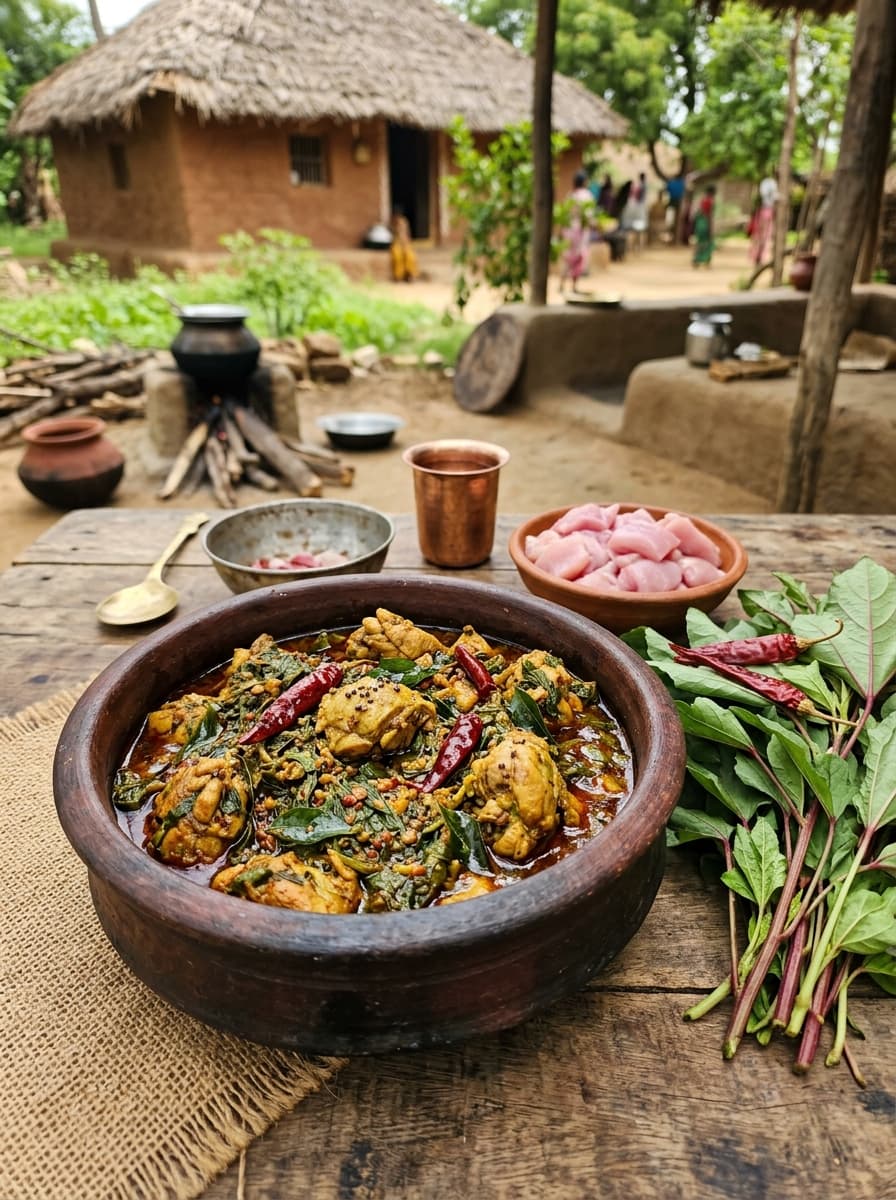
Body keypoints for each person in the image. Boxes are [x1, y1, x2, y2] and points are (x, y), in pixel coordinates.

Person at [559, 170, 597, 293]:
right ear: (584, 181)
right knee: (578, 258)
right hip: (580, 232)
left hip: (569, 231)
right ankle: (574, 286)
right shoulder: (586, 195)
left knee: (567, 258)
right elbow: (589, 215)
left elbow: (565, 214)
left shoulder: (571, 195)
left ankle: (562, 284)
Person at [749, 176, 777, 266]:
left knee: (761, 238)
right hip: (764, 216)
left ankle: (758, 257)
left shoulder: (762, 208)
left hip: (763, 216)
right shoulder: (766, 209)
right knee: (762, 238)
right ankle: (758, 257)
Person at [389, 207, 418, 282]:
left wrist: (406, 241)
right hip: (396, 243)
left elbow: (407, 234)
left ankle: (410, 275)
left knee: (410, 256)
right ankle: (398, 276)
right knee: (397, 256)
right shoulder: (392, 223)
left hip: (405, 242)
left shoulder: (404, 221)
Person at [692, 184, 716, 268]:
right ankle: (706, 261)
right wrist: (710, 227)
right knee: (708, 243)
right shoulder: (710, 201)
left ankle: (696, 260)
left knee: (699, 242)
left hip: (699, 223)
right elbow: (709, 214)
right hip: (705, 223)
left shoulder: (702, 200)